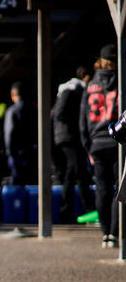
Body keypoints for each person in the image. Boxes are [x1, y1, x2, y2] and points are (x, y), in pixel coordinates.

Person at [81, 45, 120, 247]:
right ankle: (114, 232)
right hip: (117, 141)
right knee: (118, 188)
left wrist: (88, 146)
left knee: (102, 189)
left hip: (96, 142)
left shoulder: (91, 85)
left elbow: (82, 120)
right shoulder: (121, 81)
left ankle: (105, 233)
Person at [52, 66, 94, 222]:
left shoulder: (69, 89)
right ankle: (85, 209)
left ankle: (69, 211)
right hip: (69, 136)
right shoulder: (73, 89)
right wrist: (75, 127)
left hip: (66, 136)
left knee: (74, 171)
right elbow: (59, 113)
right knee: (78, 171)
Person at [4, 82, 37, 185]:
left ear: (13, 94)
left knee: (17, 187)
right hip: (34, 153)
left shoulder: (12, 111)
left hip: (18, 154)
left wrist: (9, 152)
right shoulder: (35, 109)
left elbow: (9, 133)